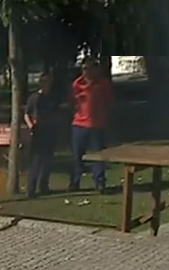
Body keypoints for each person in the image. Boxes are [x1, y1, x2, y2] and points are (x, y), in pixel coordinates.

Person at [70, 58, 113, 193]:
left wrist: (103, 115)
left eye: (89, 68)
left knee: (99, 156)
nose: (86, 72)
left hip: (97, 125)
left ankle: (100, 182)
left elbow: (109, 101)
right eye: (84, 69)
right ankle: (75, 182)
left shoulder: (103, 84)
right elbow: (73, 101)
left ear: (95, 69)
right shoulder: (77, 83)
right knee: (77, 155)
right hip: (79, 125)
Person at [24, 74, 61, 198]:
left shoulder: (53, 97)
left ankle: (44, 186)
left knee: (47, 160)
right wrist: (31, 126)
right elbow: (27, 114)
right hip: (38, 132)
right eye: (45, 82)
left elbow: (56, 113)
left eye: (49, 82)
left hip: (50, 131)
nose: (47, 85)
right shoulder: (34, 98)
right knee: (36, 161)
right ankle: (31, 189)